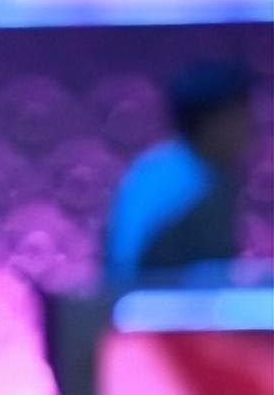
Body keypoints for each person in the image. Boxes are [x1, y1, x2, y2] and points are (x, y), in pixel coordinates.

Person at [105, 59, 257, 284]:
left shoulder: (157, 167)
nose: (252, 127)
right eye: (243, 115)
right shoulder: (197, 189)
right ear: (215, 122)